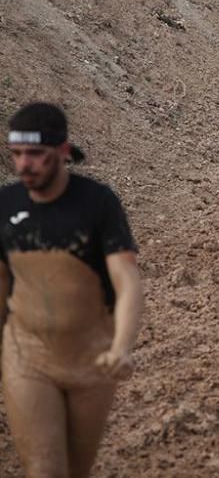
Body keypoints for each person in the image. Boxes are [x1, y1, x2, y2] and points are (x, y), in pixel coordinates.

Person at [0, 102, 143, 477]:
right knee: (46, 470)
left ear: (63, 152)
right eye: (16, 155)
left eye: (35, 154)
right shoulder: (5, 207)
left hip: (91, 360)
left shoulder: (98, 204)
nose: (24, 165)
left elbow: (126, 280)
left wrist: (122, 346)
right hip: (27, 356)